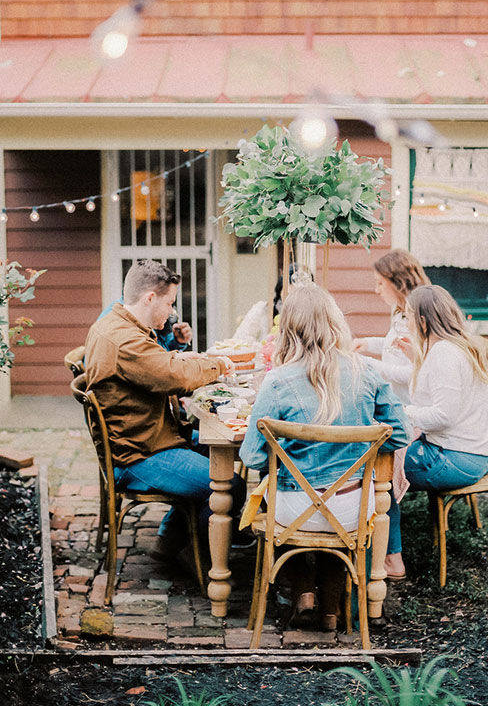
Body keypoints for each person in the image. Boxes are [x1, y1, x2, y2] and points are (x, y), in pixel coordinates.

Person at [240, 283, 410, 632]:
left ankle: (304, 594)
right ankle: (332, 609)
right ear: (335, 323)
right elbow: (400, 432)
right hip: (352, 507)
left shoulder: (276, 382)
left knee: (293, 503)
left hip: (291, 511)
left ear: (288, 329)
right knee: (338, 516)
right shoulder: (368, 372)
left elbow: (253, 457)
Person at [84, 259, 244, 566]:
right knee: (230, 484)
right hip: (139, 453)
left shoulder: (120, 325)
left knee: (215, 448)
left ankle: (170, 538)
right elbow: (173, 376)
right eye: (169, 303)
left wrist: (182, 357)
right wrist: (219, 364)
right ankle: (198, 554)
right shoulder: (124, 338)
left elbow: (157, 367)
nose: (172, 311)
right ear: (149, 299)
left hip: (147, 435)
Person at [385, 284, 488, 580]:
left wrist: (401, 413)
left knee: (380, 473)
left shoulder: (445, 354)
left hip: (459, 458)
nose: (406, 321)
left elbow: (443, 415)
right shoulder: (452, 347)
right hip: (476, 451)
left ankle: (391, 559)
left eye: (409, 316)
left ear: (423, 321)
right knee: (389, 460)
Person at [353, 249, 430, 403]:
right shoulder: (401, 313)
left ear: (399, 283)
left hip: (413, 410)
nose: (377, 290)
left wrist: (366, 363)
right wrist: (367, 344)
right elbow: (397, 345)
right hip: (398, 404)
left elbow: (412, 373)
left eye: (380, 283)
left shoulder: (419, 318)